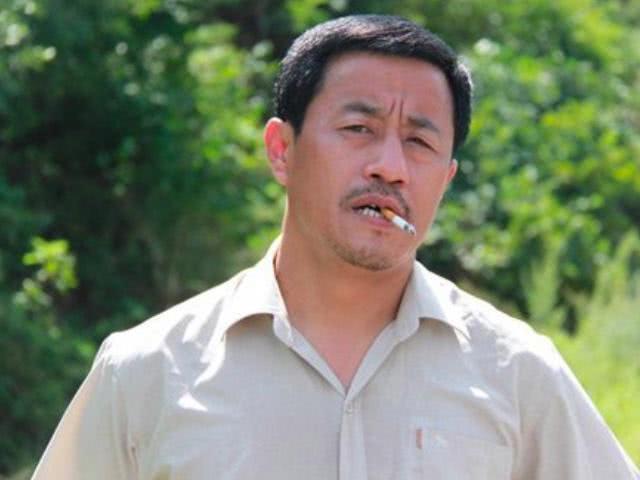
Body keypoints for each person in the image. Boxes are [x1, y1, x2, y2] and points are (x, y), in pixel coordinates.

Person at [31, 14, 638, 480]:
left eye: (420, 142)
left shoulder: (517, 372)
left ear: (446, 179)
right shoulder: (147, 372)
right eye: (358, 129)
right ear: (281, 151)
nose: (390, 167)